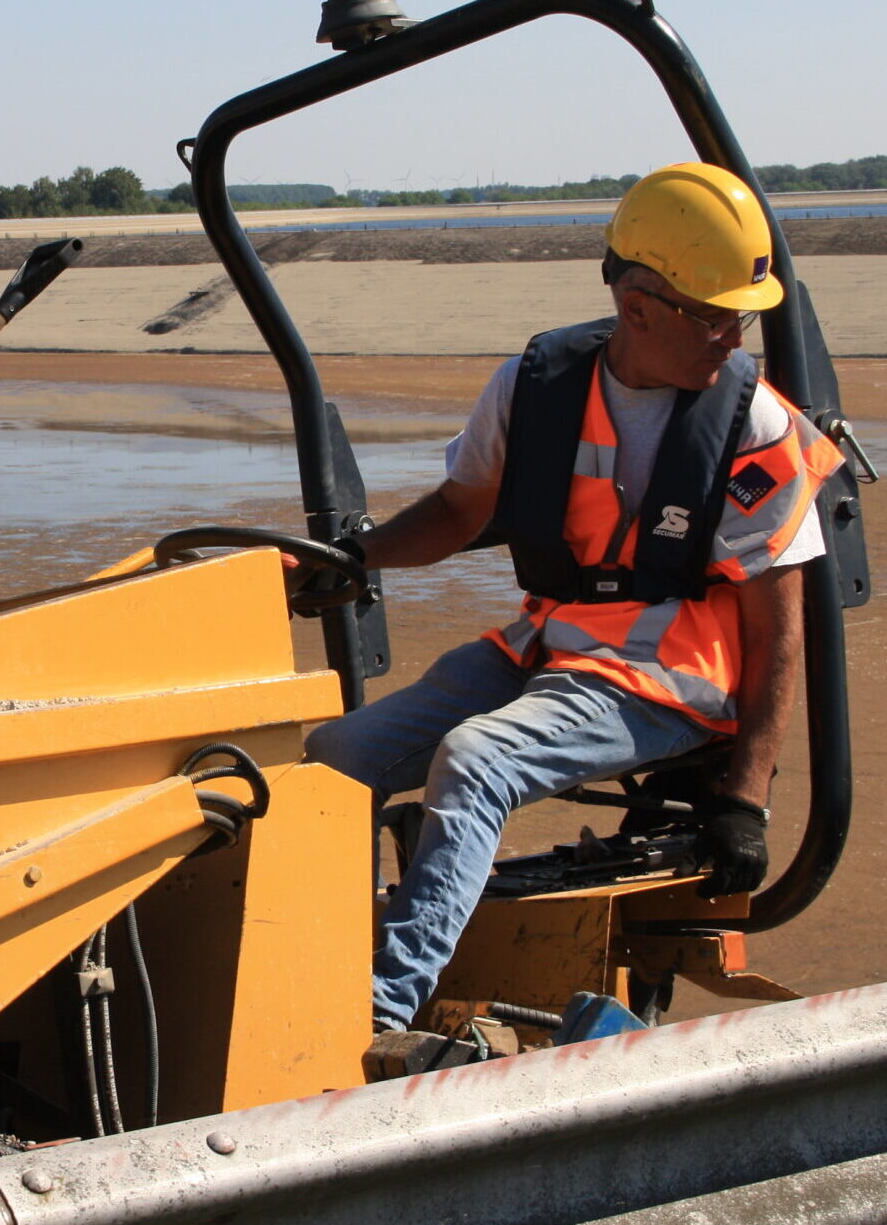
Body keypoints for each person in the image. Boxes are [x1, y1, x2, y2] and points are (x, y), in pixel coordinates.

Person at [301, 162, 844, 1057]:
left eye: (741, 315)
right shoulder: (534, 387)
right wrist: (352, 558)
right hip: (547, 643)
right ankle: (306, 956)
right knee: (333, 758)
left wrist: (746, 799)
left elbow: (781, 633)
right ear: (638, 306)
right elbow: (458, 511)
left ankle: (374, 1012)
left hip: (664, 679)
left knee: (476, 760)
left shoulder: (757, 431)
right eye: (712, 315)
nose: (731, 337)